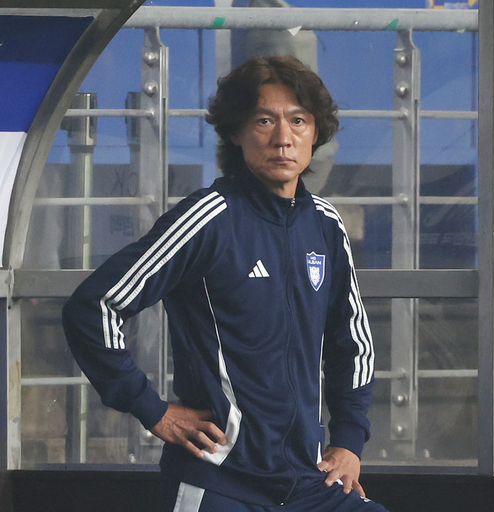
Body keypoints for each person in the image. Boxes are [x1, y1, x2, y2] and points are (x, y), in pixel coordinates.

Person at [63, 55, 388, 512]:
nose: (283, 138)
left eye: (298, 120)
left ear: (316, 134)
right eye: (263, 120)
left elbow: (352, 343)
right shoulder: (208, 217)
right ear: (236, 133)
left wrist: (350, 440)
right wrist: (151, 410)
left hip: (308, 482)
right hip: (219, 484)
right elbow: (95, 306)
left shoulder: (326, 226)